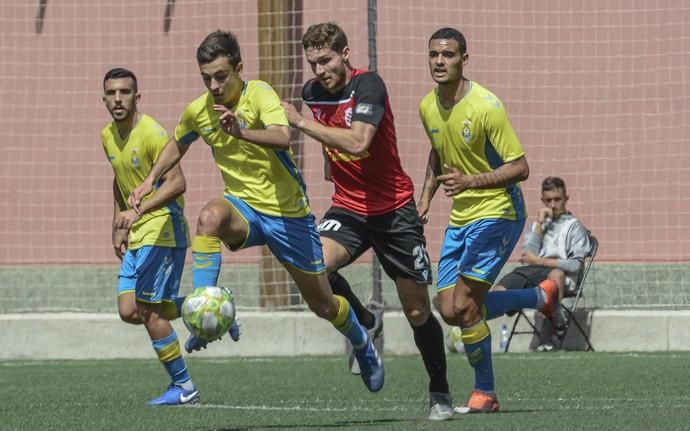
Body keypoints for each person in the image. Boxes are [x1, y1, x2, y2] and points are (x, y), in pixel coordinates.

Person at [128, 30, 384, 392]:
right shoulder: (199, 110)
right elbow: (178, 142)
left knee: (324, 306)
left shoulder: (259, 93)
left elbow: (283, 136)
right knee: (208, 218)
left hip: (288, 216)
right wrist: (150, 179)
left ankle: (362, 342)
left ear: (238, 68)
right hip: (243, 207)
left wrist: (241, 131)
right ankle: (206, 313)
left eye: (221, 76)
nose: (214, 85)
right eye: (207, 79)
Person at [282, 22, 452, 420]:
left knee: (417, 312)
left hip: (394, 211)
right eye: (312, 63)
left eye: (325, 60)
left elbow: (359, 143)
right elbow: (332, 141)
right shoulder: (312, 94)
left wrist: (300, 124)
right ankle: (363, 318)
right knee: (312, 266)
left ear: (344, 53)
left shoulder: (369, 85)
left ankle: (439, 391)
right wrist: (327, 162)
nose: (319, 70)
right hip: (348, 209)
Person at [417, 27, 559, 414]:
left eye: (448, 54)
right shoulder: (428, 105)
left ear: (465, 59)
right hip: (462, 216)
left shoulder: (486, 106)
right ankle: (539, 296)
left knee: (464, 305)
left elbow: (521, 167)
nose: (439, 61)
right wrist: (424, 199)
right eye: (434, 54)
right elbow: (436, 151)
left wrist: (472, 181)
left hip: (499, 212)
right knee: (447, 308)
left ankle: (486, 393)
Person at [101, 67, 198, 405]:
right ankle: (208, 307)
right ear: (104, 99)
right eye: (111, 93)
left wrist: (136, 213)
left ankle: (184, 387)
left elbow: (178, 184)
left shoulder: (153, 133)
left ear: (136, 96)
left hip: (162, 228)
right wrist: (117, 225)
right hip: (138, 231)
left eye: (124, 92)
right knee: (129, 309)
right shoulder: (107, 136)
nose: (118, 99)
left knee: (147, 309)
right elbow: (119, 179)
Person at [491, 176, 592, 341]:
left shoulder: (574, 226)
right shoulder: (539, 224)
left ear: (566, 199)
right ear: (542, 201)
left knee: (556, 275)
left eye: (557, 199)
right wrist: (539, 222)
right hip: (533, 272)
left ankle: (553, 328)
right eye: (548, 200)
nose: (553, 205)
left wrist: (539, 260)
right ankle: (472, 330)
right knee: (498, 293)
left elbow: (575, 266)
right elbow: (526, 255)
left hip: (561, 274)